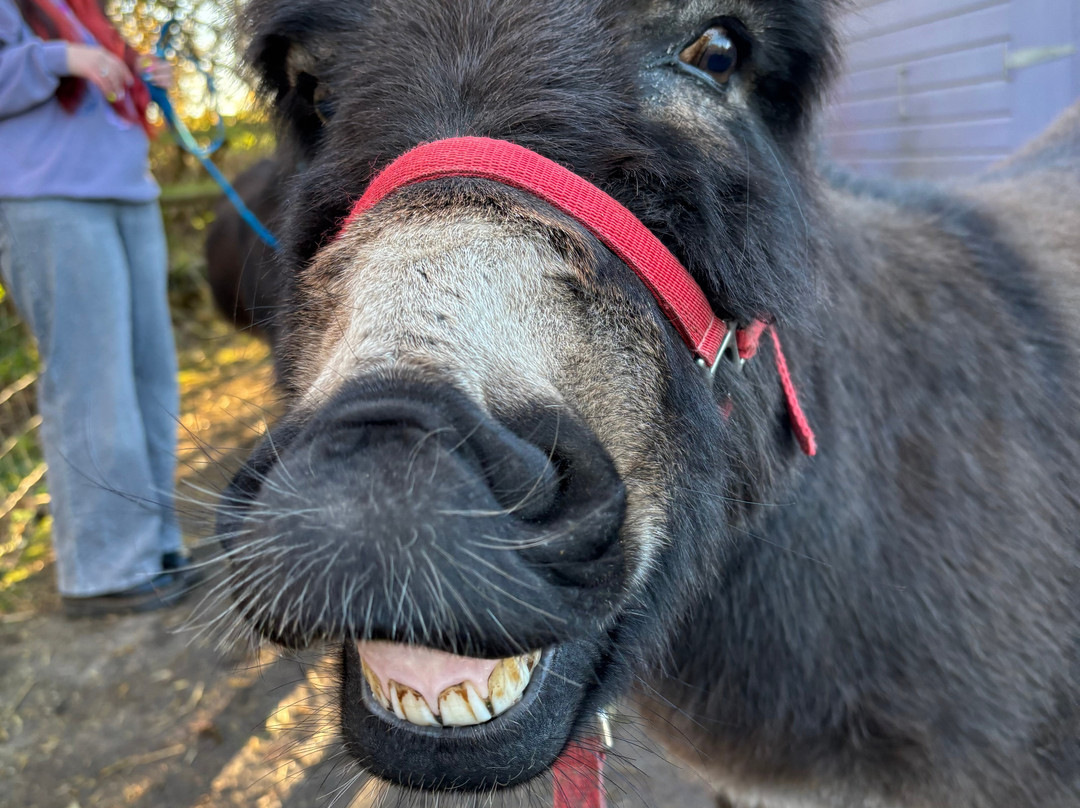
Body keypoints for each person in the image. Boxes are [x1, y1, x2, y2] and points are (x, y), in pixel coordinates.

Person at [0, 0, 194, 616]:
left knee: (150, 376)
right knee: (93, 382)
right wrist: (63, 57)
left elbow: (107, 94)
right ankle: (104, 570)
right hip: (48, 199)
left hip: (128, 192)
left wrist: (146, 77)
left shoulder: (85, 11)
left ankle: (153, 544)